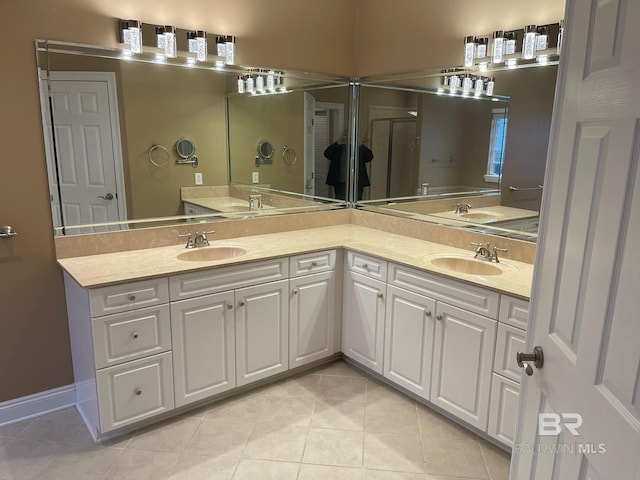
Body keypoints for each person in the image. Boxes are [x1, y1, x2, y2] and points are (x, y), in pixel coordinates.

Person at [324, 133, 373, 200]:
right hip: (341, 181)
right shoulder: (338, 148)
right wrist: (337, 143)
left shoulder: (359, 148)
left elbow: (369, 157)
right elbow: (327, 153)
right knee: (341, 202)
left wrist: (361, 145)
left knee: (357, 201)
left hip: (357, 181)